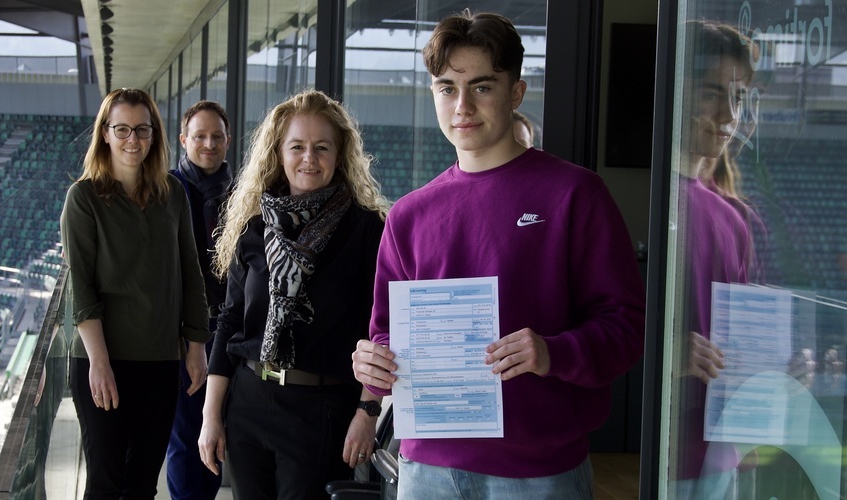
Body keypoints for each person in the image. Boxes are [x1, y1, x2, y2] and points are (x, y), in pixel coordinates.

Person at [351, 10, 645, 499]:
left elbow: (627, 327)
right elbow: (386, 331)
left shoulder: (575, 194)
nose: (462, 104)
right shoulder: (408, 215)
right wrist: (374, 362)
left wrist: (553, 352)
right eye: (447, 88)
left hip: (539, 474)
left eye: (482, 86)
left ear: (515, 93)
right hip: (426, 470)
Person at [198, 88, 391, 499]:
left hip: (320, 410)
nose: (309, 158)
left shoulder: (366, 230)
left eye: (322, 147)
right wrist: (211, 414)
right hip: (248, 402)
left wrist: (367, 411)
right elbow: (230, 323)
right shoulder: (255, 230)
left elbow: (382, 330)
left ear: (340, 155)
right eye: (297, 146)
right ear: (278, 154)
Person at [60, 88, 210, 499]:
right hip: (102, 361)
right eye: (122, 129)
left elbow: (190, 273)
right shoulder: (84, 199)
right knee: (106, 482)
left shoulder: (172, 193)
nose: (133, 139)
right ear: (104, 134)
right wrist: (100, 363)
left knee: (143, 482)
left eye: (142, 129)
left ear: (154, 135)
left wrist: (196, 347)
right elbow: (82, 288)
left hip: (160, 362)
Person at [673, 20, 760, 499]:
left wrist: (785, 362)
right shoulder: (638, 205)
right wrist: (663, 355)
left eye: (738, 96)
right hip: (662, 452)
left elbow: (742, 335)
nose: (729, 114)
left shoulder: (734, 218)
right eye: (710, 93)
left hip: (722, 451)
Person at [166, 100, 233, 500]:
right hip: (183, 331)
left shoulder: (244, 195)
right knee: (187, 434)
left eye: (217, 137)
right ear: (183, 140)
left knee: (217, 430)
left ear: (228, 142)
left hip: (230, 330)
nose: (209, 144)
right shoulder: (165, 191)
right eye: (200, 136)